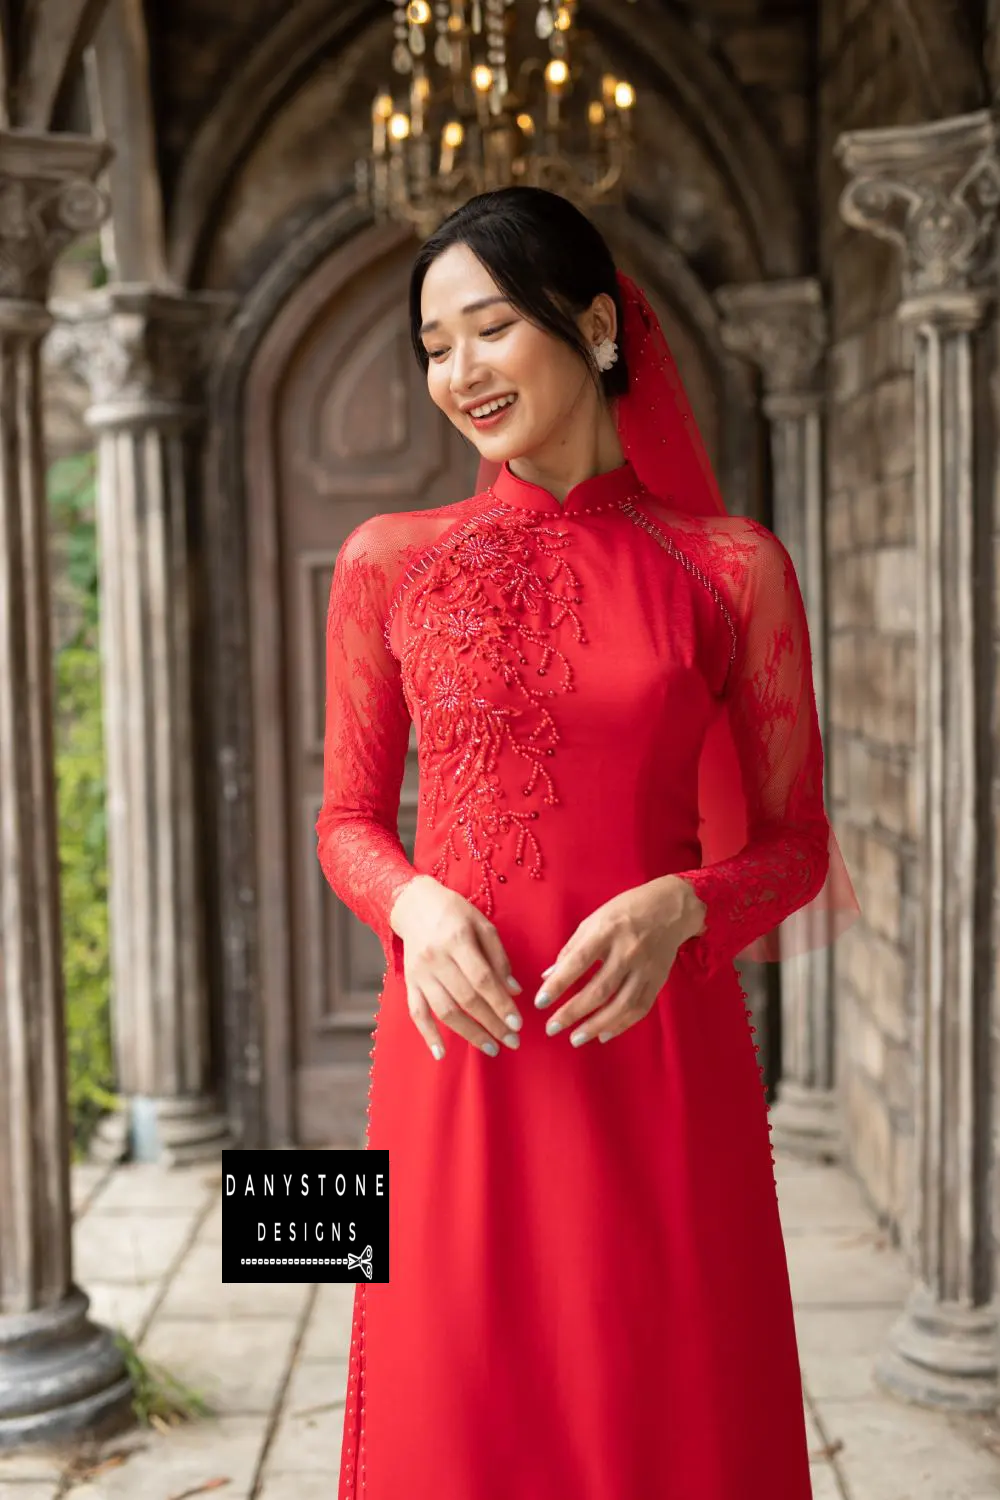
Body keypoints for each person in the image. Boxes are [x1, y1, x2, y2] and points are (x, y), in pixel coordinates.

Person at [316, 185, 859, 1500]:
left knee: (666, 1405)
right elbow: (344, 821)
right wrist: (414, 906)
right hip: (461, 1059)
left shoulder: (732, 571)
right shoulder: (390, 562)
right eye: (433, 346)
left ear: (598, 324)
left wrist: (684, 904)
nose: (459, 372)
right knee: (460, 1415)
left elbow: (796, 844)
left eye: (490, 329)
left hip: (659, 1052)